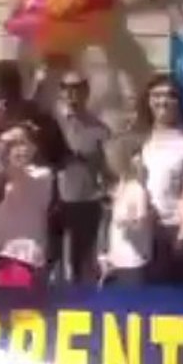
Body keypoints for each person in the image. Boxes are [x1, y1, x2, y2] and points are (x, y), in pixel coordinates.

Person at [136, 75, 183, 280]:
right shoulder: (138, 140)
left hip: (172, 229)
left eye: (170, 96)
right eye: (156, 95)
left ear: (180, 103)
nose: (162, 101)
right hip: (140, 230)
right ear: (147, 100)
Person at [54, 69, 111, 284]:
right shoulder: (54, 124)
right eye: (66, 88)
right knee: (56, 260)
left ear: (86, 91)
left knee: (83, 262)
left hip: (87, 202)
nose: (71, 93)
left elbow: (108, 167)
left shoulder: (100, 129)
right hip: (56, 201)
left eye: (77, 88)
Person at [0, 122, 54, 289]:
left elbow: (17, 172)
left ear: (34, 148)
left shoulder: (42, 176)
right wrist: (0, 145)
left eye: (22, 143)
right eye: (13, 145)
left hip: (24, 259)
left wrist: (0, 141)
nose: (17, 149)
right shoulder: (0, 178)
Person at [100, 136, 153, 286]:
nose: (108, 163)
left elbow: (141, 222)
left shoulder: (137, 189)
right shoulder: (120, 186)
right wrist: (107, 256)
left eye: (110, 158)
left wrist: (128, 222)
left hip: (133, 263)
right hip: (116, 262)